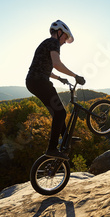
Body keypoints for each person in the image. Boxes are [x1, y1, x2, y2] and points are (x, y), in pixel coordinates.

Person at [26, 20, 85, 160]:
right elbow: (57, 64)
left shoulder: (46, 43)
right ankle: (51, 149)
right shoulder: (53, 43)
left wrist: (59, 79)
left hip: (33, 81)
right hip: (39, 81)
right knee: (61, 112)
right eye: (65, 37)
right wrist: (75, 76)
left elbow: (44, 68)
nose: (64, 41)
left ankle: (65, 137)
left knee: (57, 112)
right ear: (59, 33)